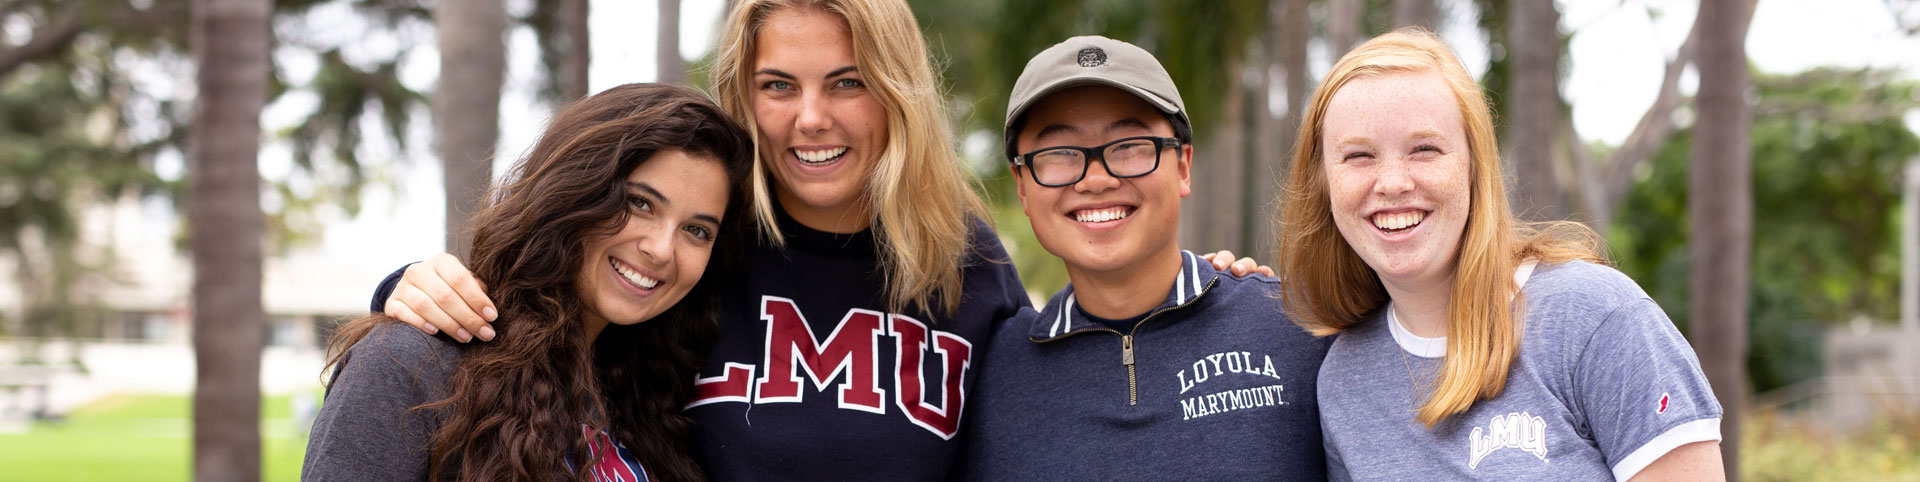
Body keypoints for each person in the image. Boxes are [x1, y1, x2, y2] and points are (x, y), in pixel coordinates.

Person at [368, 2, 1264, 479]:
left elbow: (1061, 390)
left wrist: (1211, 298)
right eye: (777, 85)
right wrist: (409, 289)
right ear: (742, 95)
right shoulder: (699, 251)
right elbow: (541, 341)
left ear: (897, 92)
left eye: (847, 82)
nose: (811, 119)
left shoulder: (966, 263)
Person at [1276, 28, 1725, 480]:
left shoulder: (1593, 318)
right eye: (1358, 156)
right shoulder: (1343, 382)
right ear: (1323, 182)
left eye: (1425, 149)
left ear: (1475, 165)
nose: (1392, 183)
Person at [302, 83, 754, 481]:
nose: (661, 249)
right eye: (639, 203)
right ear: (574, 192)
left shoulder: (651, 396)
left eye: (697, 230)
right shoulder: (412, 364)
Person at [959, 36, 1329, 481]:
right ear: (1022, 185)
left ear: (1182, 166)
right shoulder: (985, 376)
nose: (1096, 180)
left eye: (1129, 146)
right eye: (1059, 154)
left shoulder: (1302, 326)